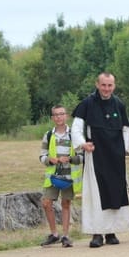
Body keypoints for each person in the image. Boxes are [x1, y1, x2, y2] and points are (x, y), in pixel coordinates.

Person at [71, 73, 129, 248]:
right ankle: (97, 233)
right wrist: (83, 144)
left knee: (115, 191)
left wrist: (126, 149)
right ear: (97, 84)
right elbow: (76, 128)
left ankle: (111, 232)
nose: (106, 89)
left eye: (110, 85)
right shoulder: (87, 104)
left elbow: (126, 129)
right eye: (103, 85)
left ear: (114, 85)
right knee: (96, 194)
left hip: (115, 156)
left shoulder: (119, 104)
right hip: (96, 154)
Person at [39, 105, 83, 248]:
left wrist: (69, 159)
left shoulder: (74, 135)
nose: (59, 117)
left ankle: (65, 235)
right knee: (46, 203)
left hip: (69, 176)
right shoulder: (48, 135)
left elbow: (82, 157)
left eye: (61, 114)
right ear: (52, 118)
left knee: (65, 203)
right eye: (56, 115)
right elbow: (42, 155)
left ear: (66, 116)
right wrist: (49, 160)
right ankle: (54, 234)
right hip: (53, 175)